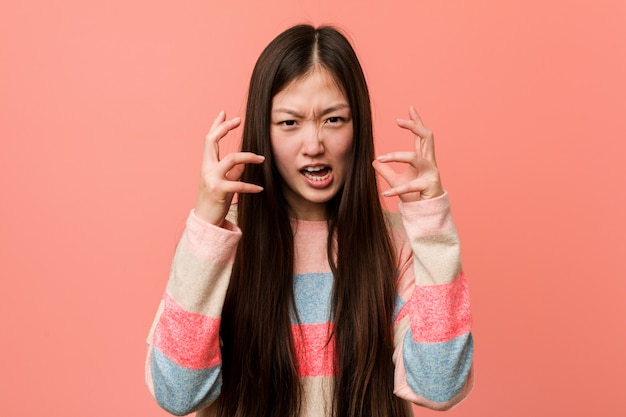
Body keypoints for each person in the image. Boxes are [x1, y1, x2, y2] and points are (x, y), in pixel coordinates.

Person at [145, 24, 474, 417]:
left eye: (333, 120)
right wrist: (206, 227)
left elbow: (440, 387)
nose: (314, 145)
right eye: (290, 123)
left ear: (359, 126)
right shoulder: (220, 241)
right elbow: (177, 394)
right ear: (262, 131)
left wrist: (432, 225)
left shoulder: (397, 242)